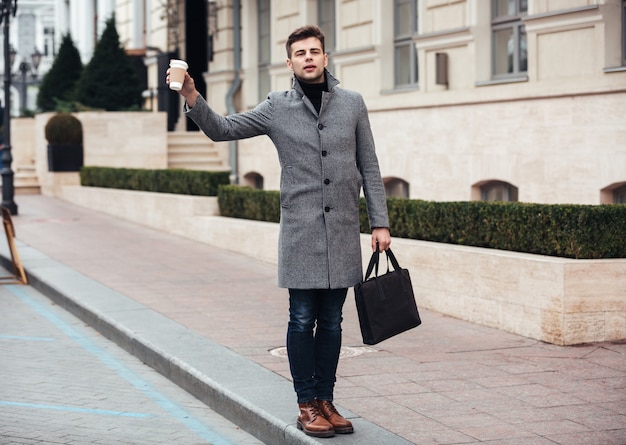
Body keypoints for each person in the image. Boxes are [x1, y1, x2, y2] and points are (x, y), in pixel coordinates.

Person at [168, 25, 391, 438]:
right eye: (300, 53)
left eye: (315, 51)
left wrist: (380, 221)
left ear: (326, 58)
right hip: (301, 232)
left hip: (342, 229)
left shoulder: (353, 104)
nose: (308, 57)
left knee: (334, 323)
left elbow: (370, 165)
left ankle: (326, 399)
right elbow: (223, 129)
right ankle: (306, 403)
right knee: (302, 317)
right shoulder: (276, 106)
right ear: (289, 63)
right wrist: (191, 97)